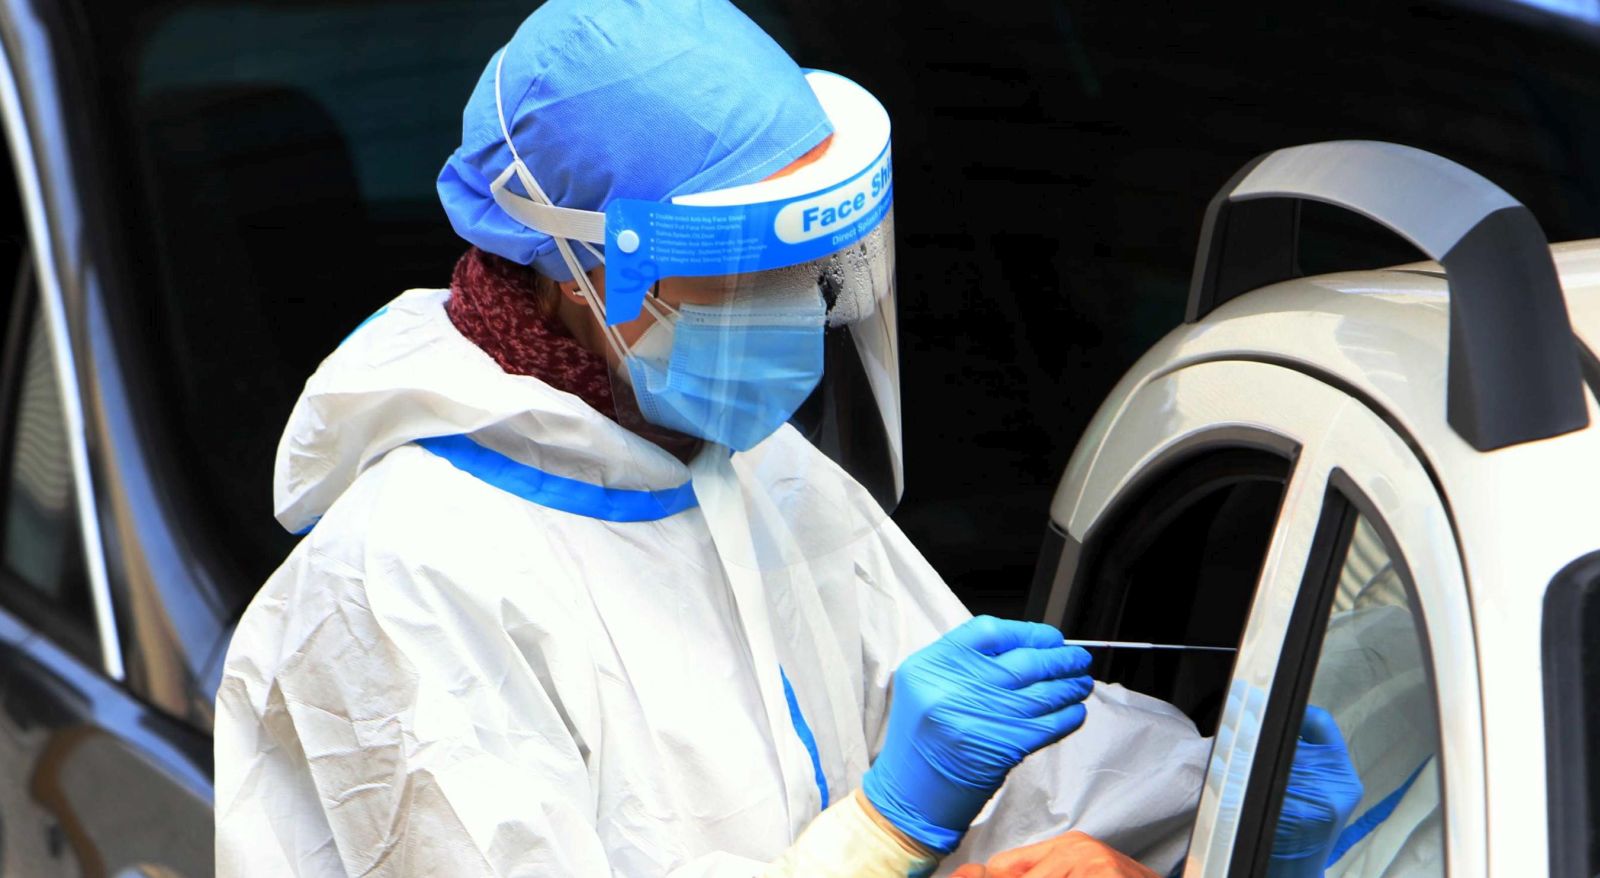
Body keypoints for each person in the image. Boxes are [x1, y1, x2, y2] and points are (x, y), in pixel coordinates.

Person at [213, 2, 1354, 875]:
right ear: (576, 271)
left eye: (809, 266)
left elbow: (1029, 801)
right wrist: (881, 832)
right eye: (740, 269)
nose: (799, 303)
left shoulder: (748, 469)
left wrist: (1230, 809)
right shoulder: (399, 580)